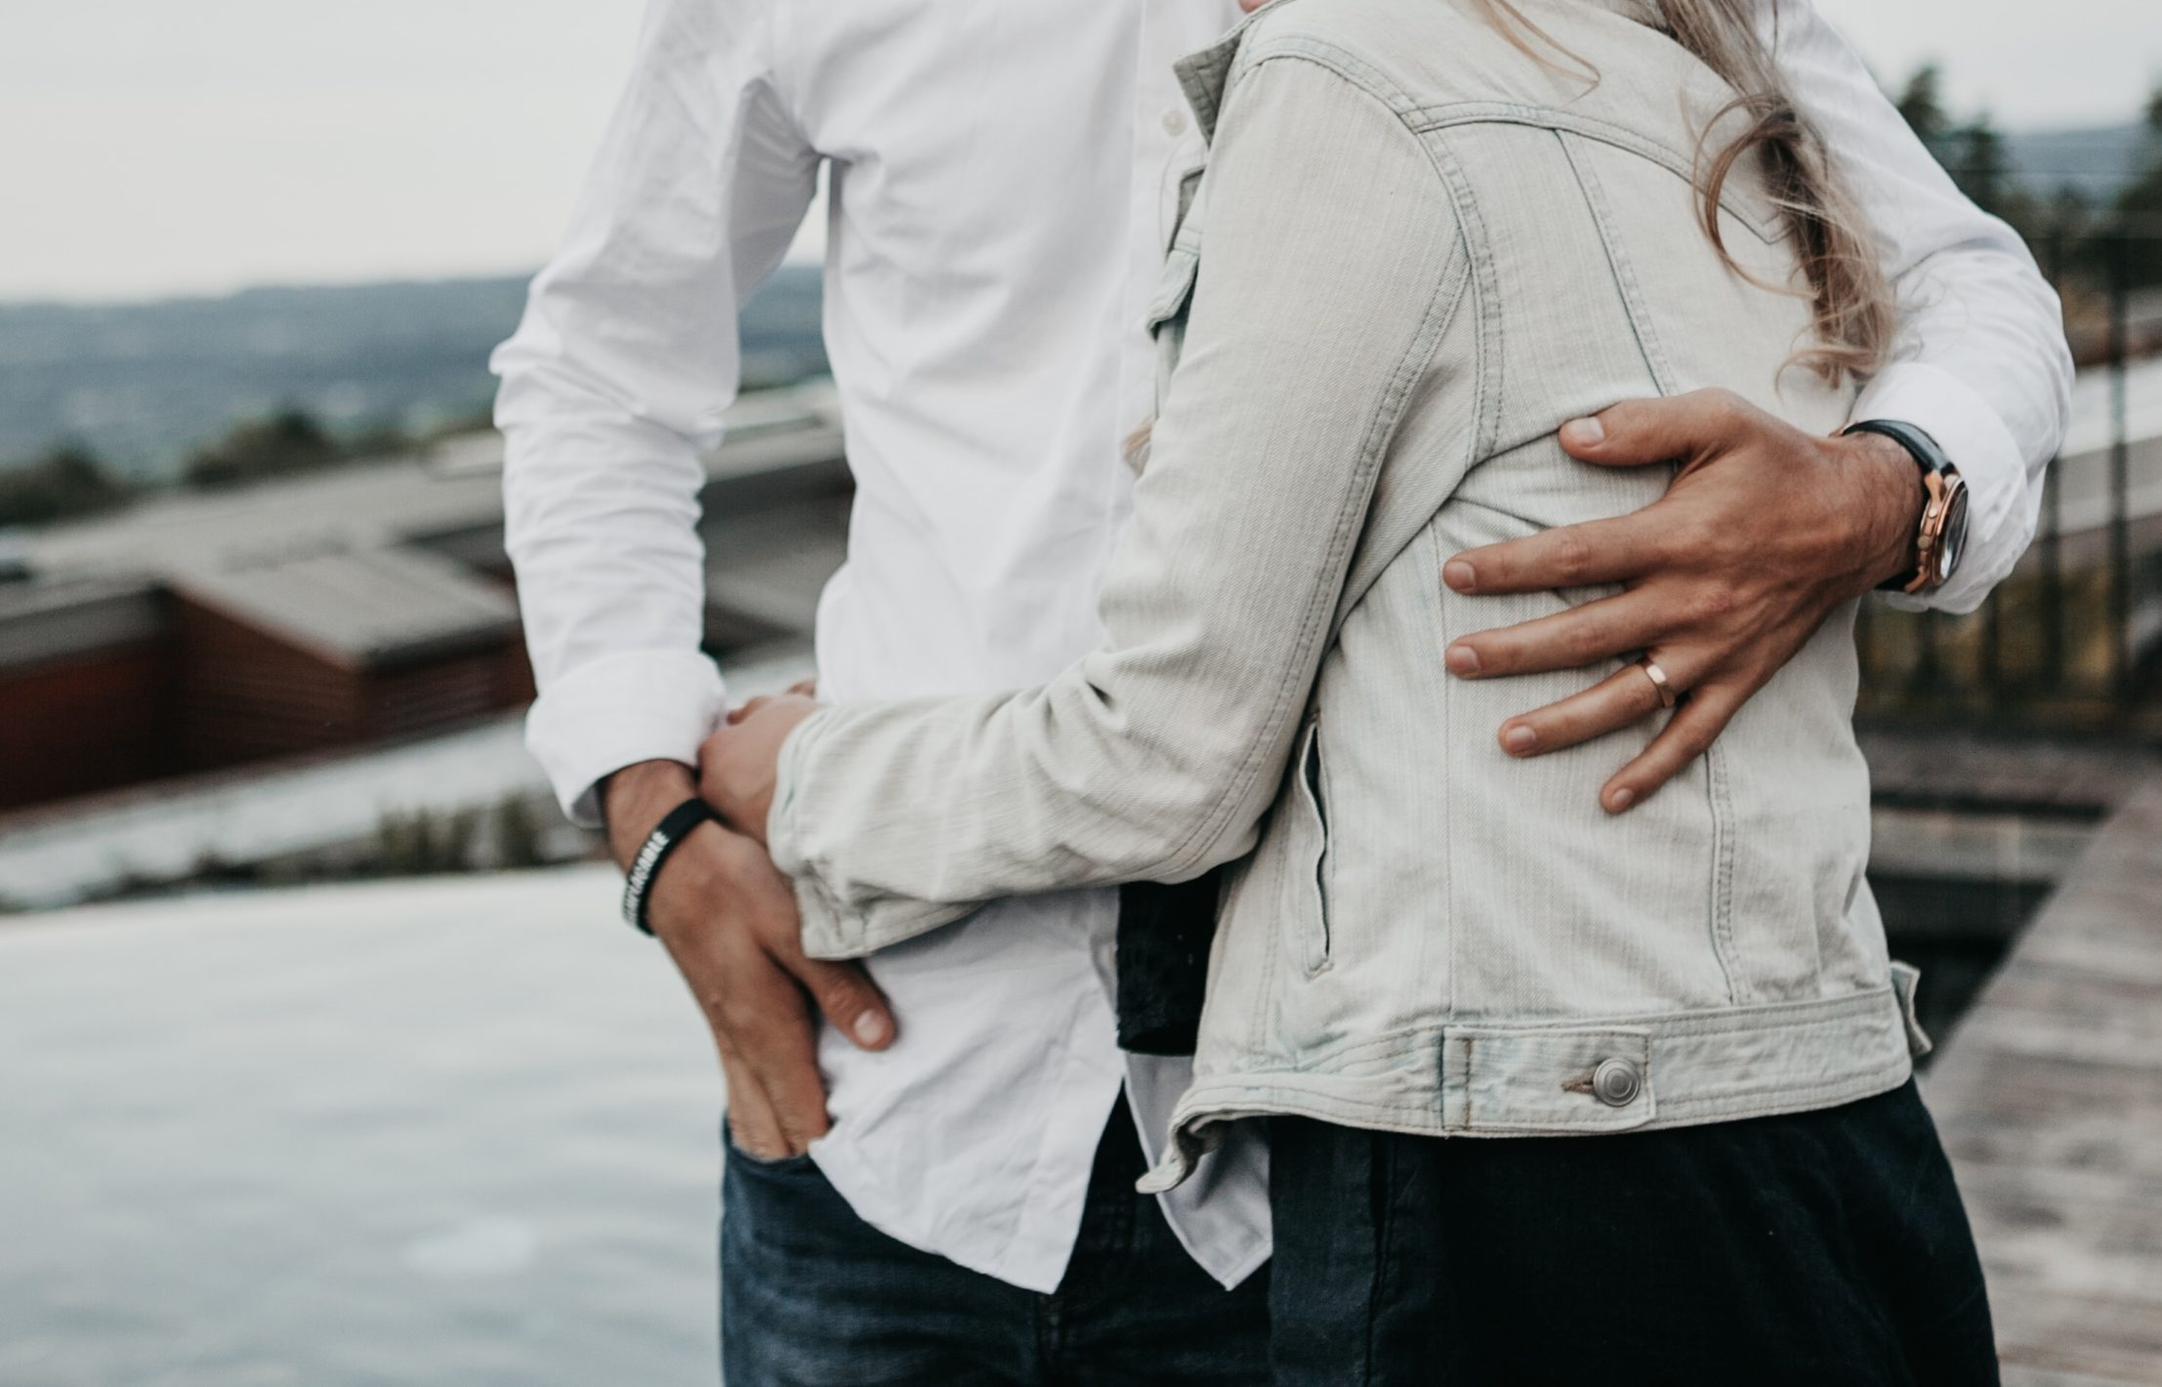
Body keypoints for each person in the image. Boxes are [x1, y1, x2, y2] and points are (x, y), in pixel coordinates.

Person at [495, 0, 2069, 1382]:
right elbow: (603, 367)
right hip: (889, 1101)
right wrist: (655, 825)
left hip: (1353, 1162)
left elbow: (1966, 284)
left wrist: (1880, 496)